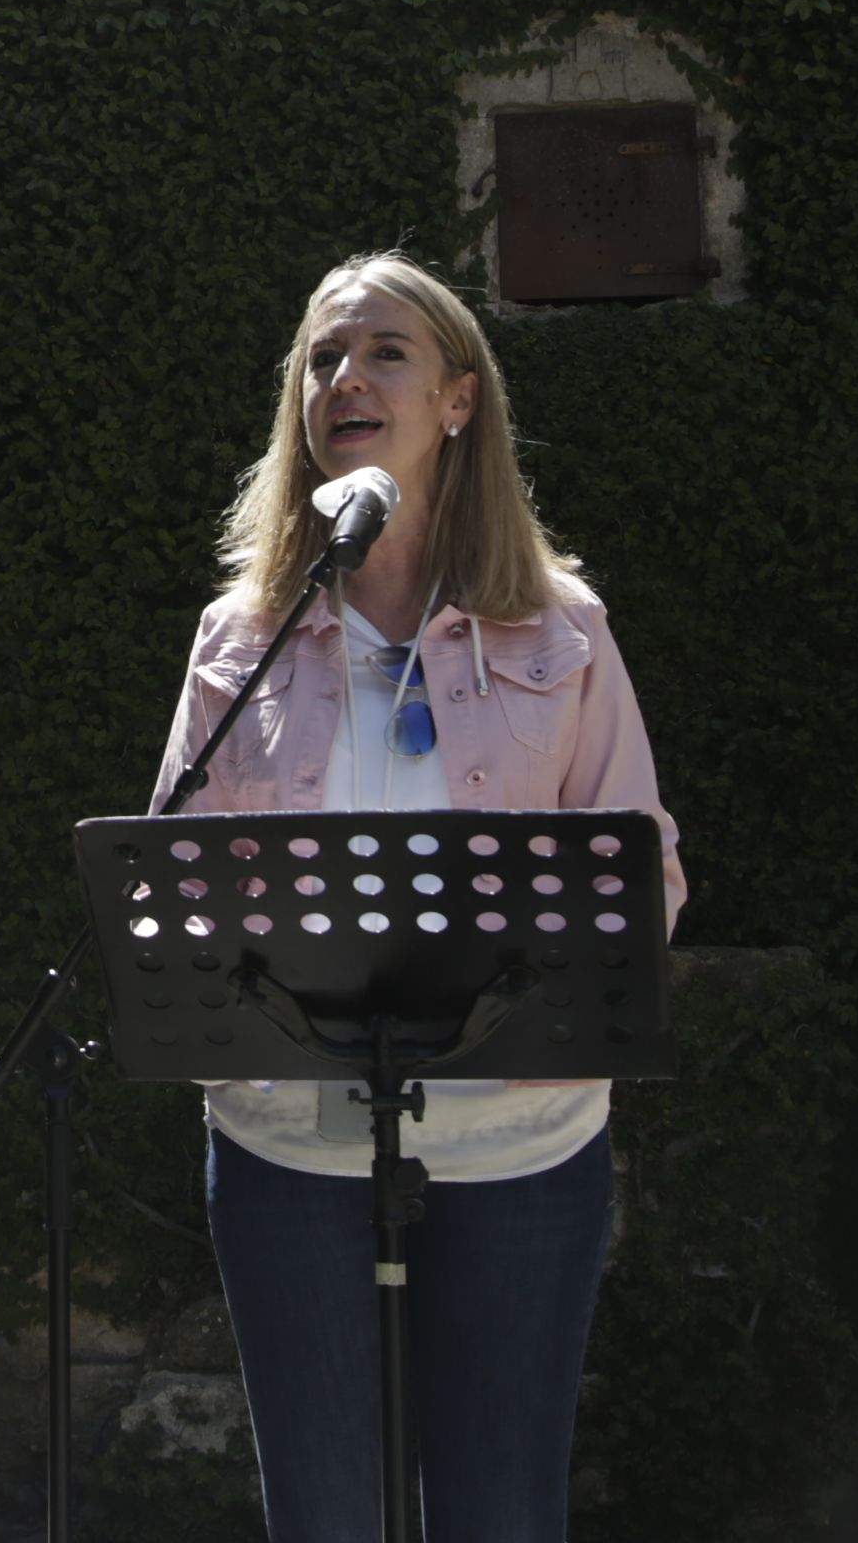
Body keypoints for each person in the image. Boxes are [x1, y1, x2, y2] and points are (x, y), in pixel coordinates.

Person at [147, 251, 682, 1543]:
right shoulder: (240, 636)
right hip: (289, 1151)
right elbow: (172, 878)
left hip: (521, 1151)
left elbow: (643, 875)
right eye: (322, 359)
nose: (345, 378)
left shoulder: (564, 631)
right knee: (325, 1519)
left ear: (457, 401)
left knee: (502, 1516)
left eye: (384, 352)